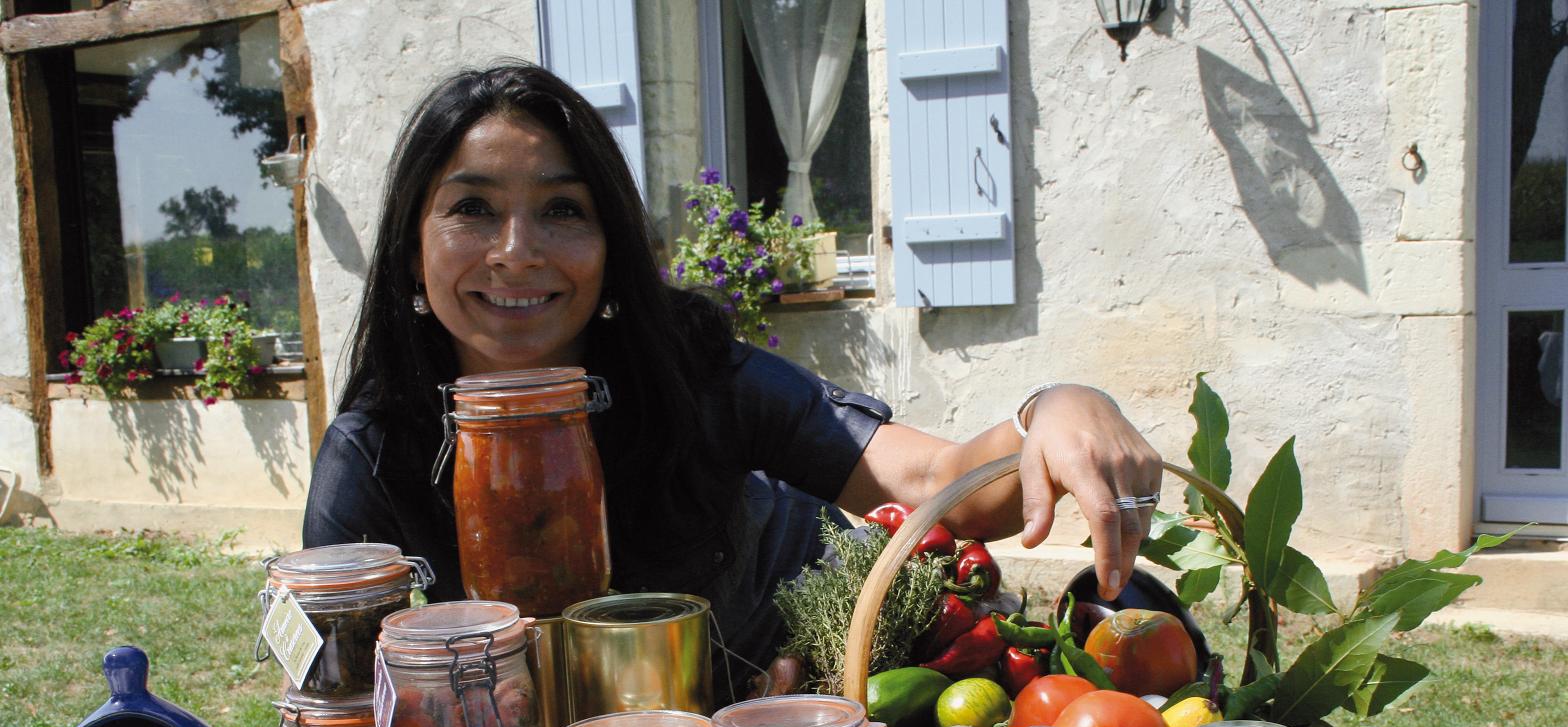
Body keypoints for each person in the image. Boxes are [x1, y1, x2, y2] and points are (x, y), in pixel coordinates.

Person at [304, 62, 1163, 686]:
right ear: (412, 252)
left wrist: (1056, 409)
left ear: (611, 249)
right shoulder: (373, 461)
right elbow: (335, 707)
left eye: (564, 209)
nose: (517, 251)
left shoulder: (694, 380)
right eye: (473, 209)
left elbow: (942, 487)